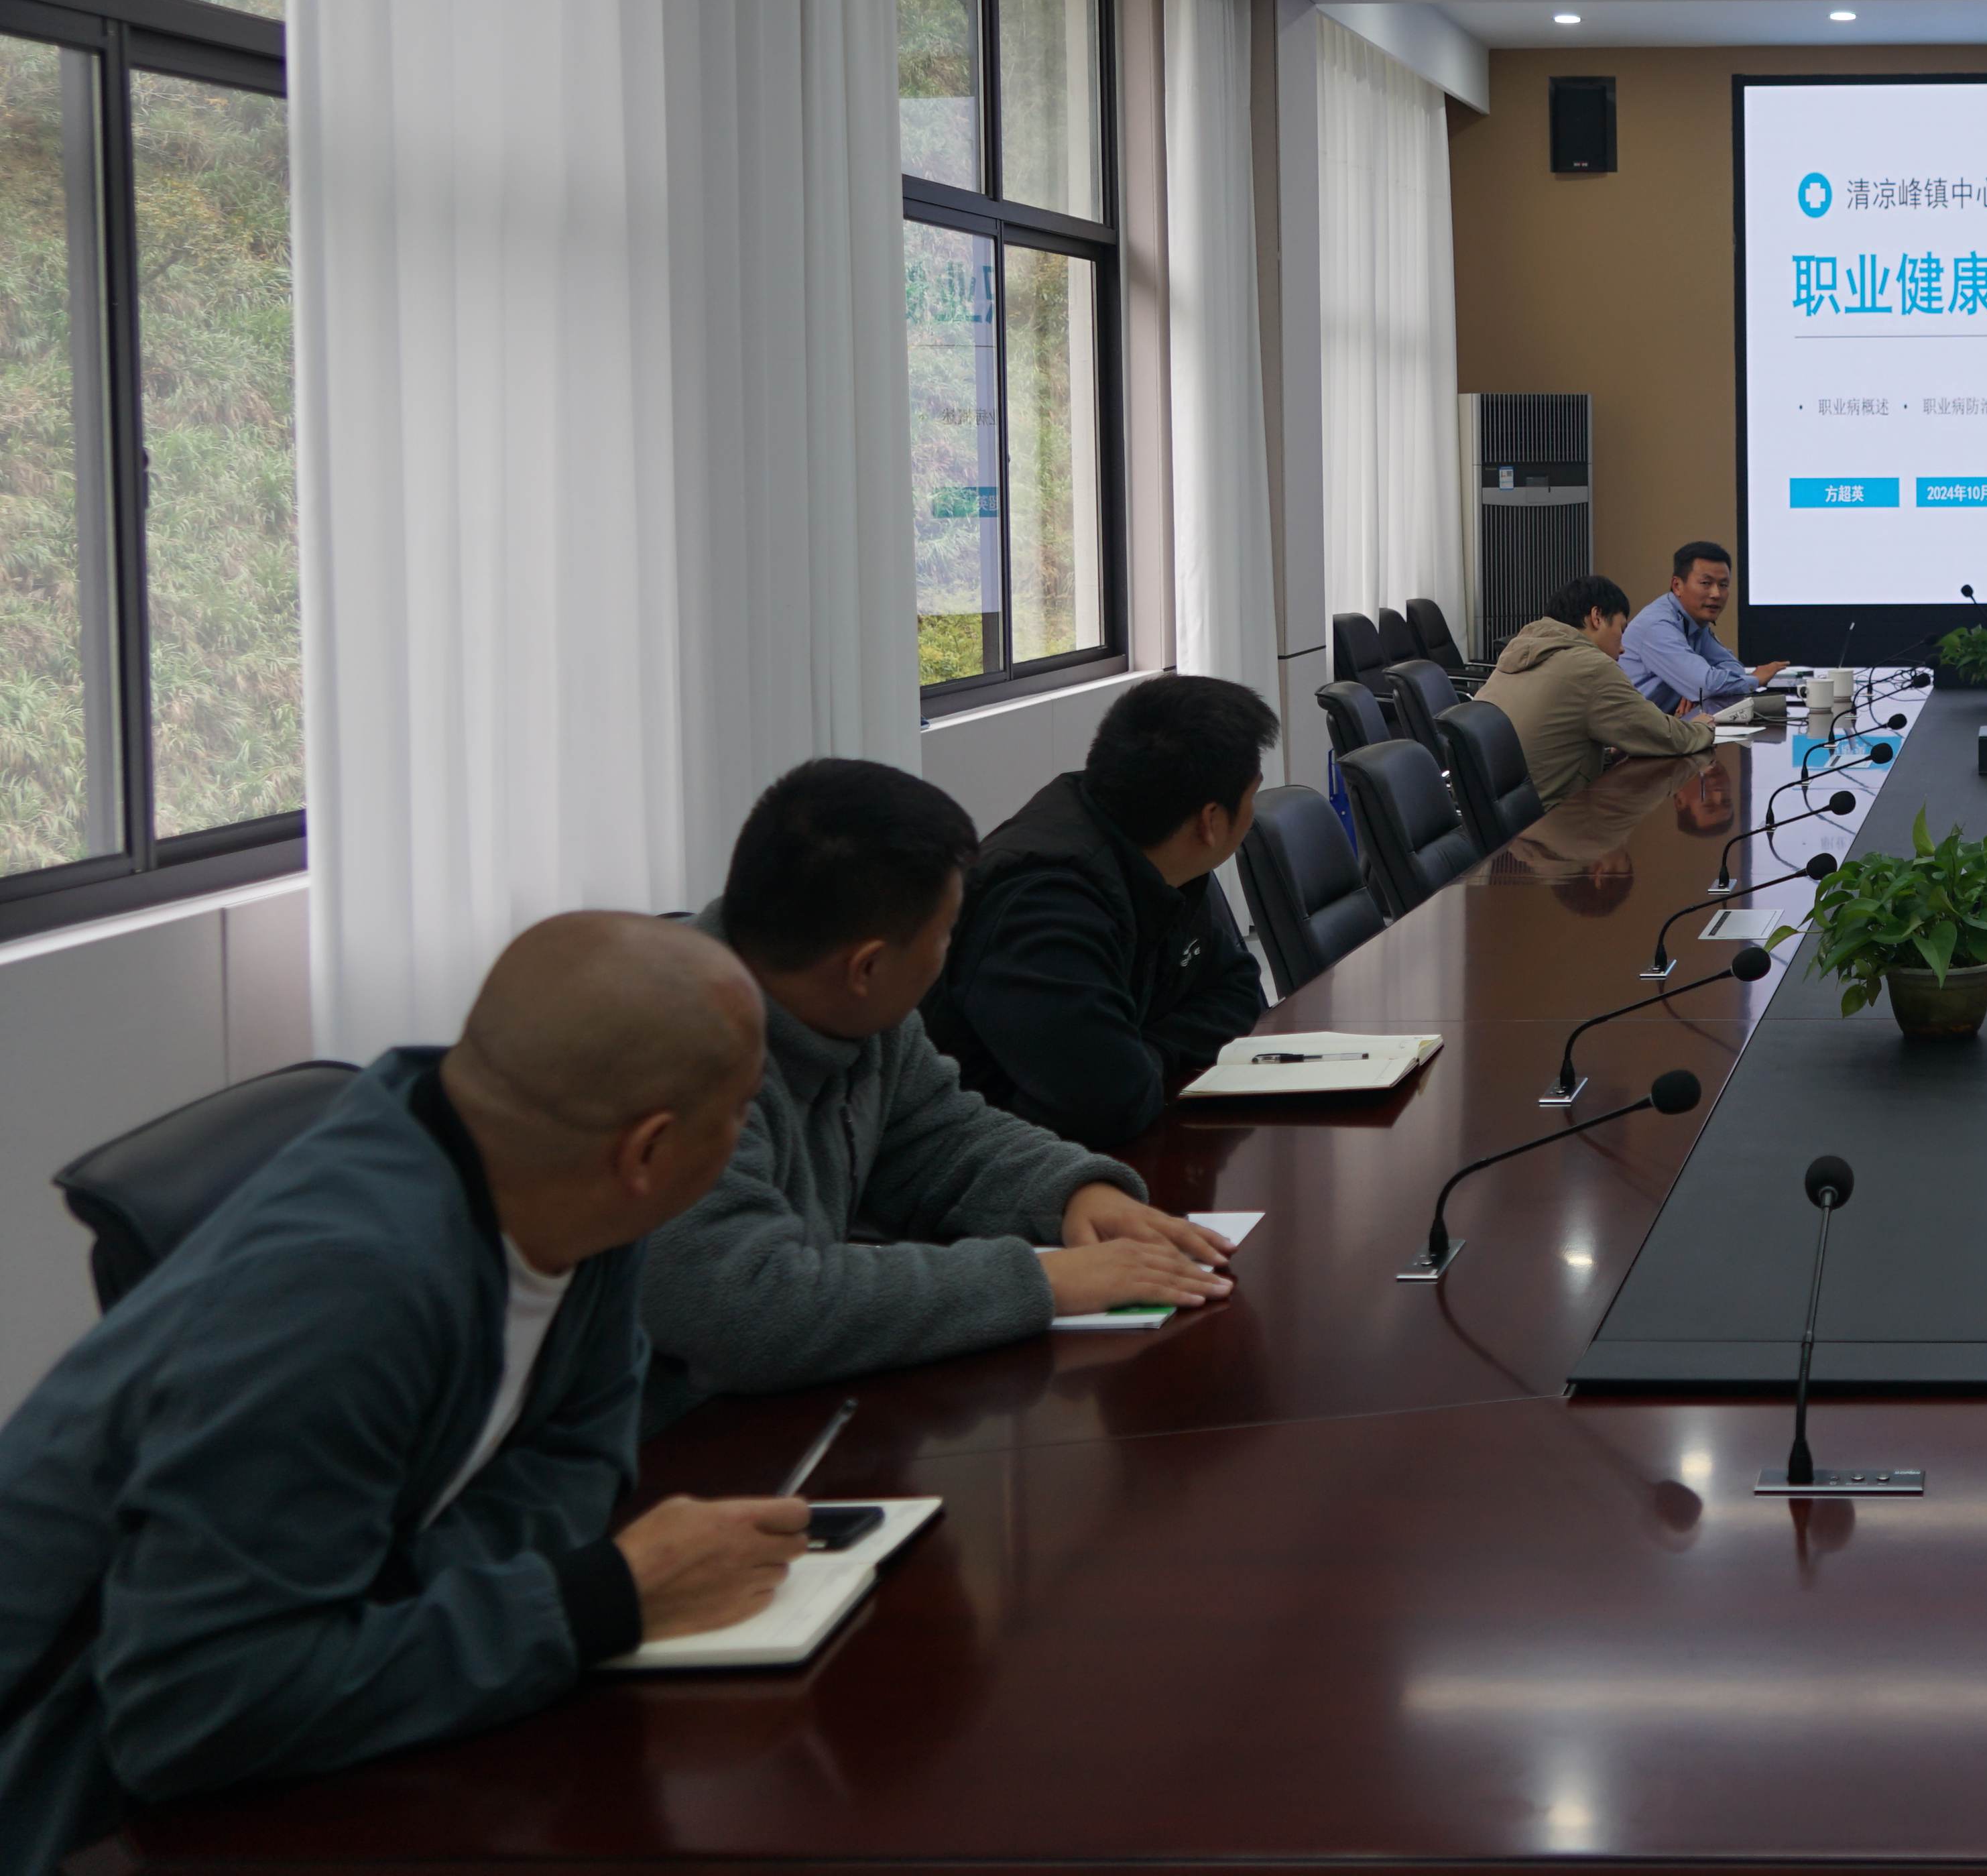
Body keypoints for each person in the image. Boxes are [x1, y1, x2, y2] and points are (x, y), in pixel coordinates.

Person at [0, 917, 822, 1876]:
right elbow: (192, 1707)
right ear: (648, 1150)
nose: (746, 1135)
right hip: (66, 1798)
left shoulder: (574, 1199)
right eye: (741, 1110)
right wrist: (598, 1599)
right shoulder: (345, 1291)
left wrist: (389, 1612)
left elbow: (580, 1461)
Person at [641, 760, 1244, 1425]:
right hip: (665, 1449)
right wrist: (1041, 1281)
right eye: (945, 935)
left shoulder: (850, 1001)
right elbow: (746, 1309)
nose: (950, 953)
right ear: (867, 967)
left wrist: (1072, 1191)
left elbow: (941, 1135)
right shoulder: (676, 1058)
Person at [926, 674, 1277, 1151]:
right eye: (1252, 796)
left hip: (1107, 1149)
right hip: (996, 1171)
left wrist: (1146, 1051)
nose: (1253, 813)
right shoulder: (1043, 900)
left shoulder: (1162, 848)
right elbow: (1110, 1102)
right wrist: (1149, 1056)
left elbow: (1240, 992)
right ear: (1211, 821)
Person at [1482, 573, 1720, 804]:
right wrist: (1701, 727)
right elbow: (1664, 736)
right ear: (1597, 617)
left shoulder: (1520, 652)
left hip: (1506, 817)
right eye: (1622, 630)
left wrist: (1605, 757)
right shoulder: (1589, 666)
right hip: (1554, 818)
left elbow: (1550, 745)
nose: (1623, 649)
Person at [1619, 540, 1781, 714]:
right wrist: (1755, 680)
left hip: (1659, 724)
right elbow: (1706, 685)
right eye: (1706, 583)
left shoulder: (1694, 622)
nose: (1716, 594)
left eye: (1723, 585)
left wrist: (1695, 687)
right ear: (1677, 586)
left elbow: (1732, 666)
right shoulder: (1657, 626)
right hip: (1630, 729)